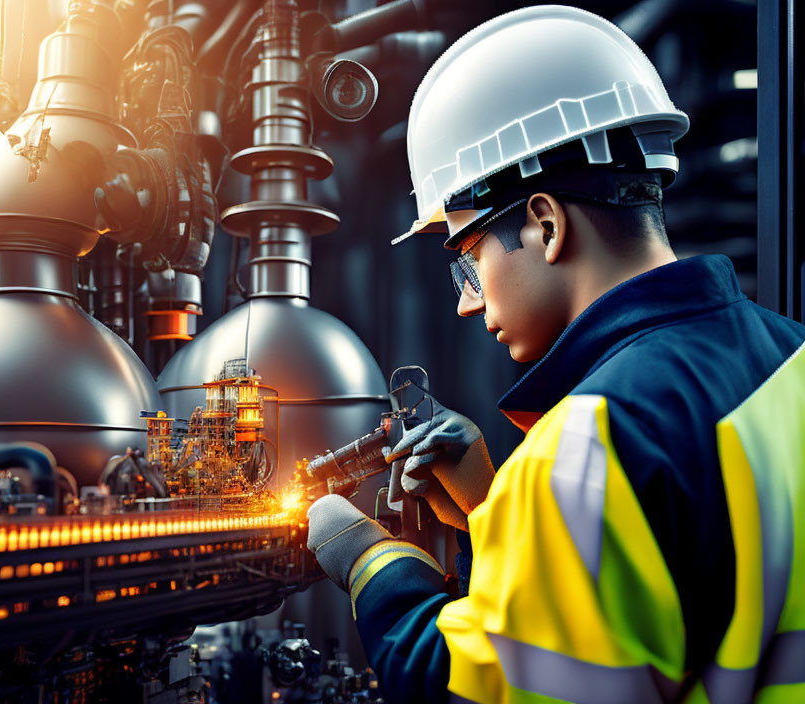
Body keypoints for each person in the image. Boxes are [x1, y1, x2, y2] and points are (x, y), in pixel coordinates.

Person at [306, 6, 805, 704]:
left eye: (470, 260)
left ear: (544, 223)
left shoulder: (593, 444)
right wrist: (494, 503)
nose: (466, 302)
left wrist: (374, 564)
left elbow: (468, 689)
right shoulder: (790, 357)